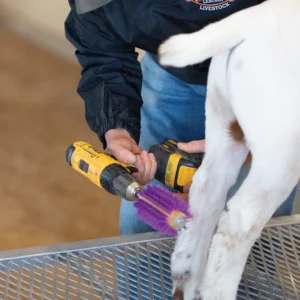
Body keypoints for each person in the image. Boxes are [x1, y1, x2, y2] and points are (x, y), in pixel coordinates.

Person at [65, 0, 296, 238]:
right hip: (173, 74)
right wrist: (117, 127)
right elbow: (101, 43)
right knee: (146, 240)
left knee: (256, 229)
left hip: (278, 75)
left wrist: (269, 133)